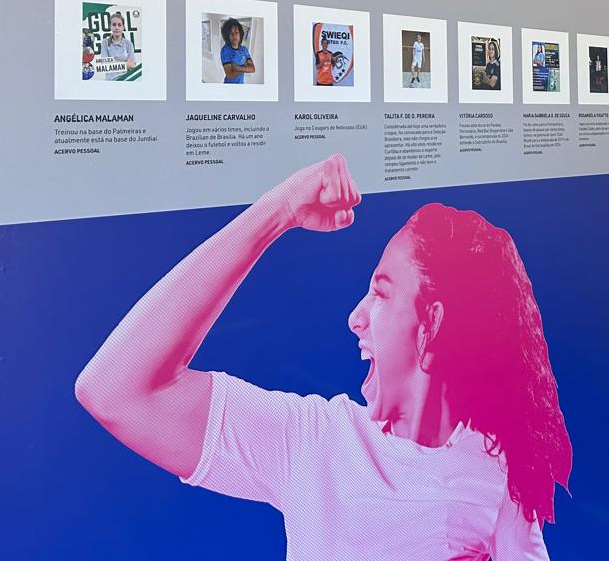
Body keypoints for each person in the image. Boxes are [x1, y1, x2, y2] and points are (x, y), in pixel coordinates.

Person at [75, 154, 570, 560]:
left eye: (381, 292)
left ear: (432, 323)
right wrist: (279, 210)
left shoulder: (501, 478)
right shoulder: (314, 441)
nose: (355, 317)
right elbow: (115, 390)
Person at [220, 17, 256, 85]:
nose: (234, 36)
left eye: (236, 32)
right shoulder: (225, 50)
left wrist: (236, 67)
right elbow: (230, 75)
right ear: (227, 35)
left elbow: (252, 69)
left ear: (240, 34)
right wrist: (245, 66)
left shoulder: (244, 49)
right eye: (231, 33)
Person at [101, 11, 137, 77]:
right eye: (114, 25)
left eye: (119, 25)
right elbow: (104, 65)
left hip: (126, 79)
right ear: (110, 26)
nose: (117, 28)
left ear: (123, 27)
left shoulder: (129, 44)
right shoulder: (105, 42)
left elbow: (132, 65)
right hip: (111, 81)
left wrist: (112, 63)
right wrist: (126, 64)